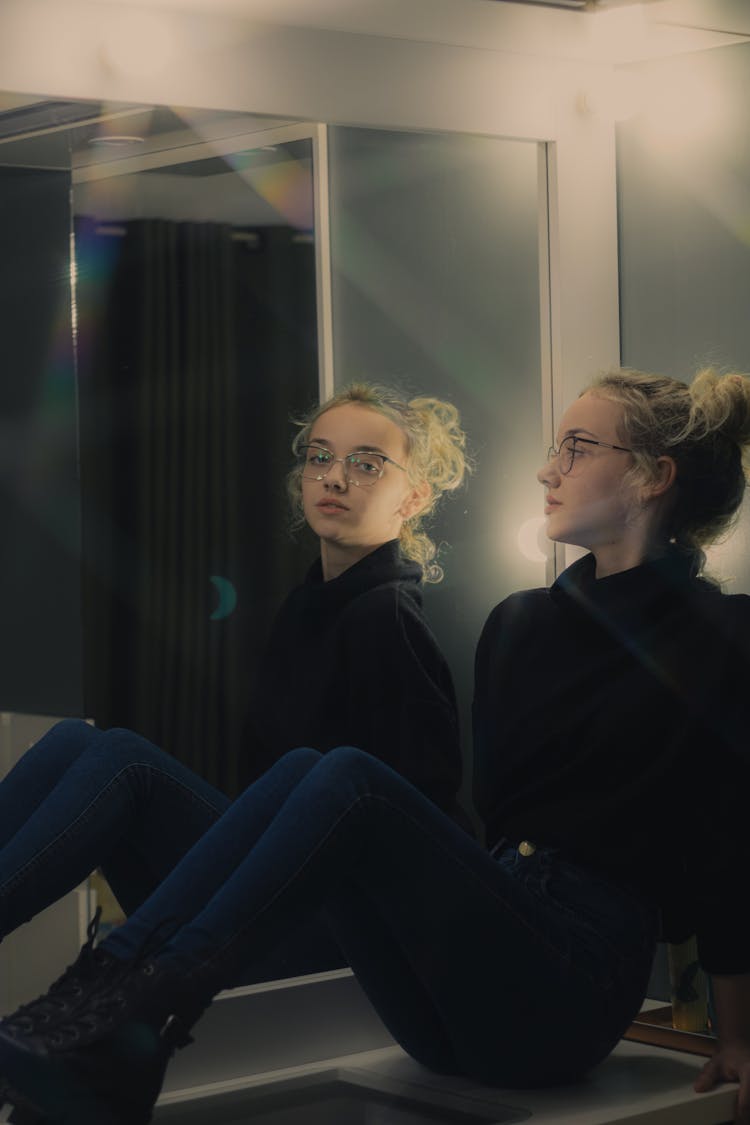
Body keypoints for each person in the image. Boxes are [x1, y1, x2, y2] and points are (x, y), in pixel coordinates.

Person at [2, 366, 749, 1125]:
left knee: (346, 775)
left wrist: (738, 1032)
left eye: (577, 447)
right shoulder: (520, 625)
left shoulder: (724, 637)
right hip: (453, 992)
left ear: (654, 476)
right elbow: (501, 823)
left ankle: (122, 1026)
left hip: (571, 991)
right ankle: (104, 1019)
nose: (546, 468)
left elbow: (731, 846)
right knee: (298, 769)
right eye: (554, 446)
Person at [0, 382, 471, 980]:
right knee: (75, 742)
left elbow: (419, 816)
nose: (334, 478)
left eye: (368, 465)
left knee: (123, 760)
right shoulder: (308, 607)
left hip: (330, 917)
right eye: (320, 457)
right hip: (265, 879)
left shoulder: (386, 616)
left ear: (413, 498)